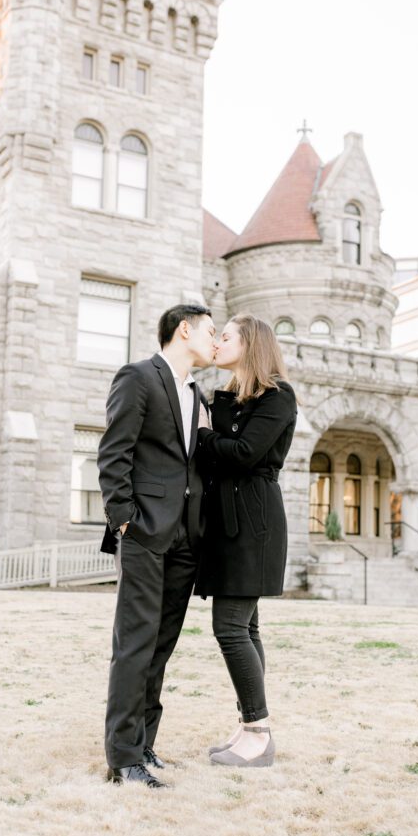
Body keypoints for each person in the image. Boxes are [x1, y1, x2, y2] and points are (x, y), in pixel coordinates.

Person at [98, 303, 215, 788]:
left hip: (187, 538)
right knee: (136, 644)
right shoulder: (139, 376)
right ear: (183, 330)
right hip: (145, 532)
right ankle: (123, 758)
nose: (215, 340)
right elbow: (113, 451)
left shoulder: (200, 395)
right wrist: (124, 521)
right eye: (211, 331)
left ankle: (145, 743)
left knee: (161, 647)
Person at [195, 313, 297, 768]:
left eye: (226, 336)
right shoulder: (226, 397)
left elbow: (243, 453)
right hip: (226, 520)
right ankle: (248, 727)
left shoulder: (278, 396)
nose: (217, 342)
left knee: (231, 627)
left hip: (254, 521)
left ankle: (259, 732)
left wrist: (201, 434)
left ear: (250, 343)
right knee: (247, 627)